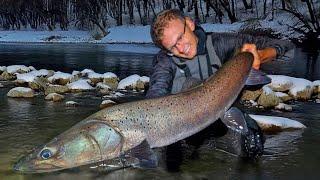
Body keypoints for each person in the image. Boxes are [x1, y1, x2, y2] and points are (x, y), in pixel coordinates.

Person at [146, 9, 294, 159]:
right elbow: (156, 93)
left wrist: (260, 56)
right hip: (186, 129)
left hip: (226, 118)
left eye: (180, 38)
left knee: (252, 147)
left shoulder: (220, 43)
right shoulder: (164, 62)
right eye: (172, 47)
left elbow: (287, 48)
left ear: (190, 23)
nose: (181, 48)